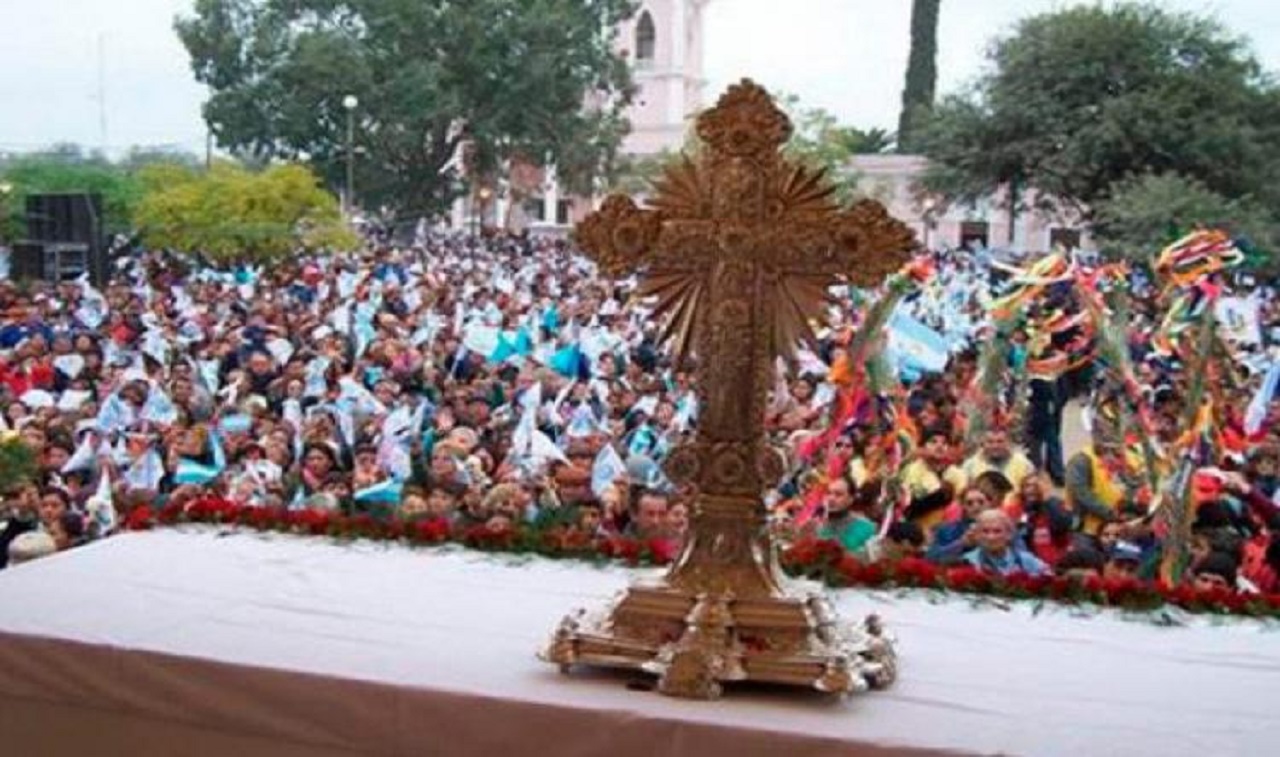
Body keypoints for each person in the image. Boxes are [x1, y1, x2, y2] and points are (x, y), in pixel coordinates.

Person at [963, 509, 1050, 576]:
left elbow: (1049, 575)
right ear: (978, 534)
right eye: (985, 531)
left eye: (997, 531)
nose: (991, 537)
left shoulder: (1025, 560)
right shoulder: (969, 561)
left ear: (1009, 534)